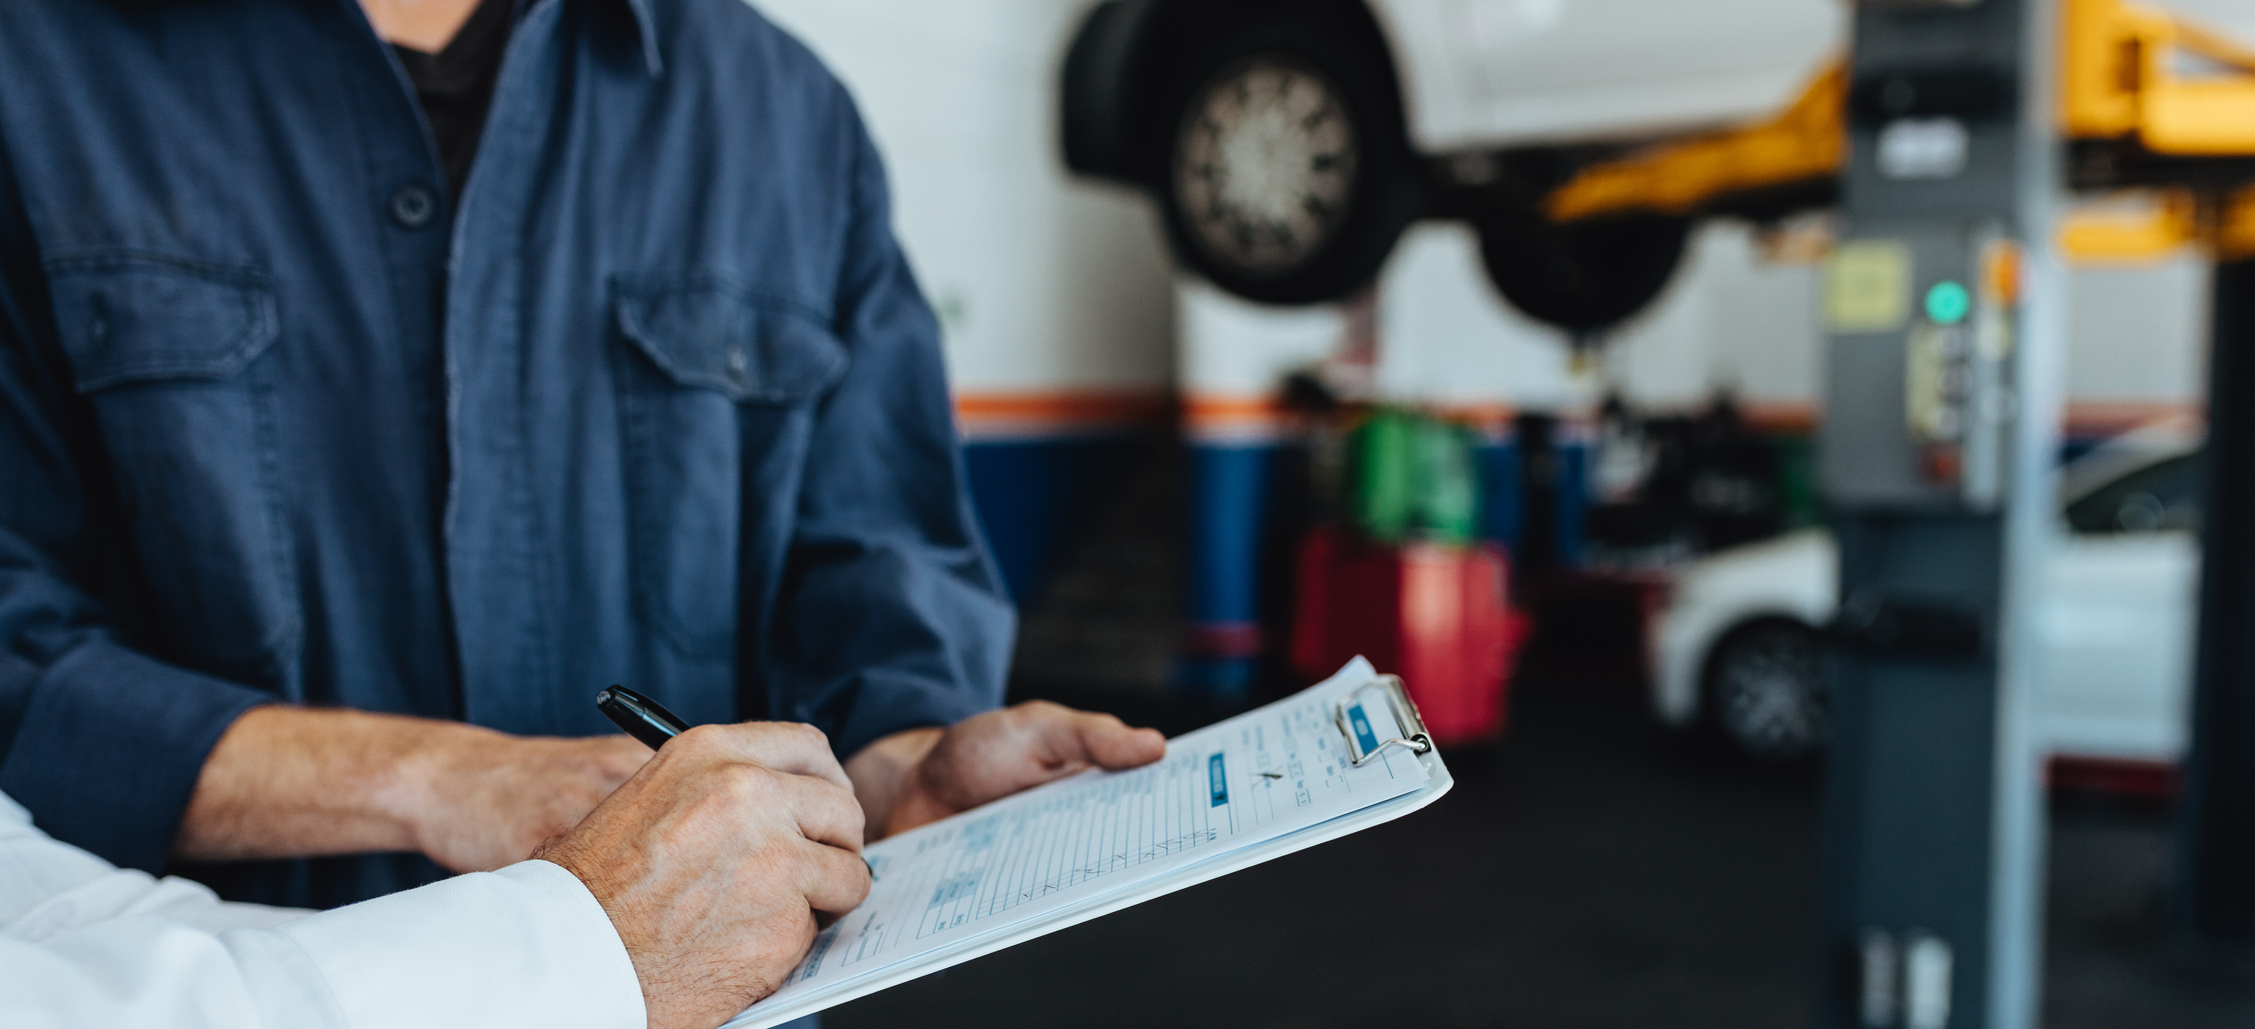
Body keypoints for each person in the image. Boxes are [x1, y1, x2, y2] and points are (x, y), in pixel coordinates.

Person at [0, 0, 1136, 913]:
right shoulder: (36, 78)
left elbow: (872, 572)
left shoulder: (780, 116)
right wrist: (437, 782)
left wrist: (904, 771)